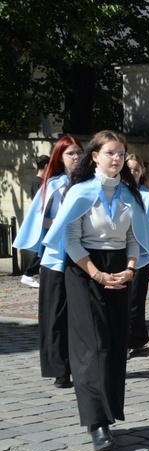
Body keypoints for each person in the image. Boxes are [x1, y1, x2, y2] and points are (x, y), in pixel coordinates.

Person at [43, 130, 149, 451]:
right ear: (95, 156)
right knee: (93, 348)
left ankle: (108, 414)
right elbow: (69, 239)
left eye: (121, 153)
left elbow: (135, 237)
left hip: (120, 269)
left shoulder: (128, 194)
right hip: (83, 270)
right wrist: (96, 274)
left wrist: (131, 269)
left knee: (114, 344)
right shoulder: (79, 191)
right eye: (110, 153)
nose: (117, 158)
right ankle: (97, 424)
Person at [13, 138, 82, 388]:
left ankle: (83, 366)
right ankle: (60, 370)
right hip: (55, 259)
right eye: (70, 153)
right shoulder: (52, 186)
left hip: (85, 258)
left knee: (82, 316)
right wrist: (64, 221)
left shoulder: (91, 184)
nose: (76, 157)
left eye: (78, 153)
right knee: (55, 315)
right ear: (60, 158)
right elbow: (38, 220)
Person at [126, 154, 149, 353]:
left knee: (135, 299)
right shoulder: (118, 192)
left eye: (136, 169)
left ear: (143, 172)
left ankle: (134, 339)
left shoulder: (147, 197)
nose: (133, 173)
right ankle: (134, 337)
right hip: (118, 254)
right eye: (129, 169)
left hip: (138, 256)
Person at [20, 154, 50, 288]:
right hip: (45, 220)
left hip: (43, 219)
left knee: (44, 248)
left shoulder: (35, 182)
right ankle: (28, 273)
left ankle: (30, 273)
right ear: (46, 166)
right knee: (43, 248)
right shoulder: (40, 183)